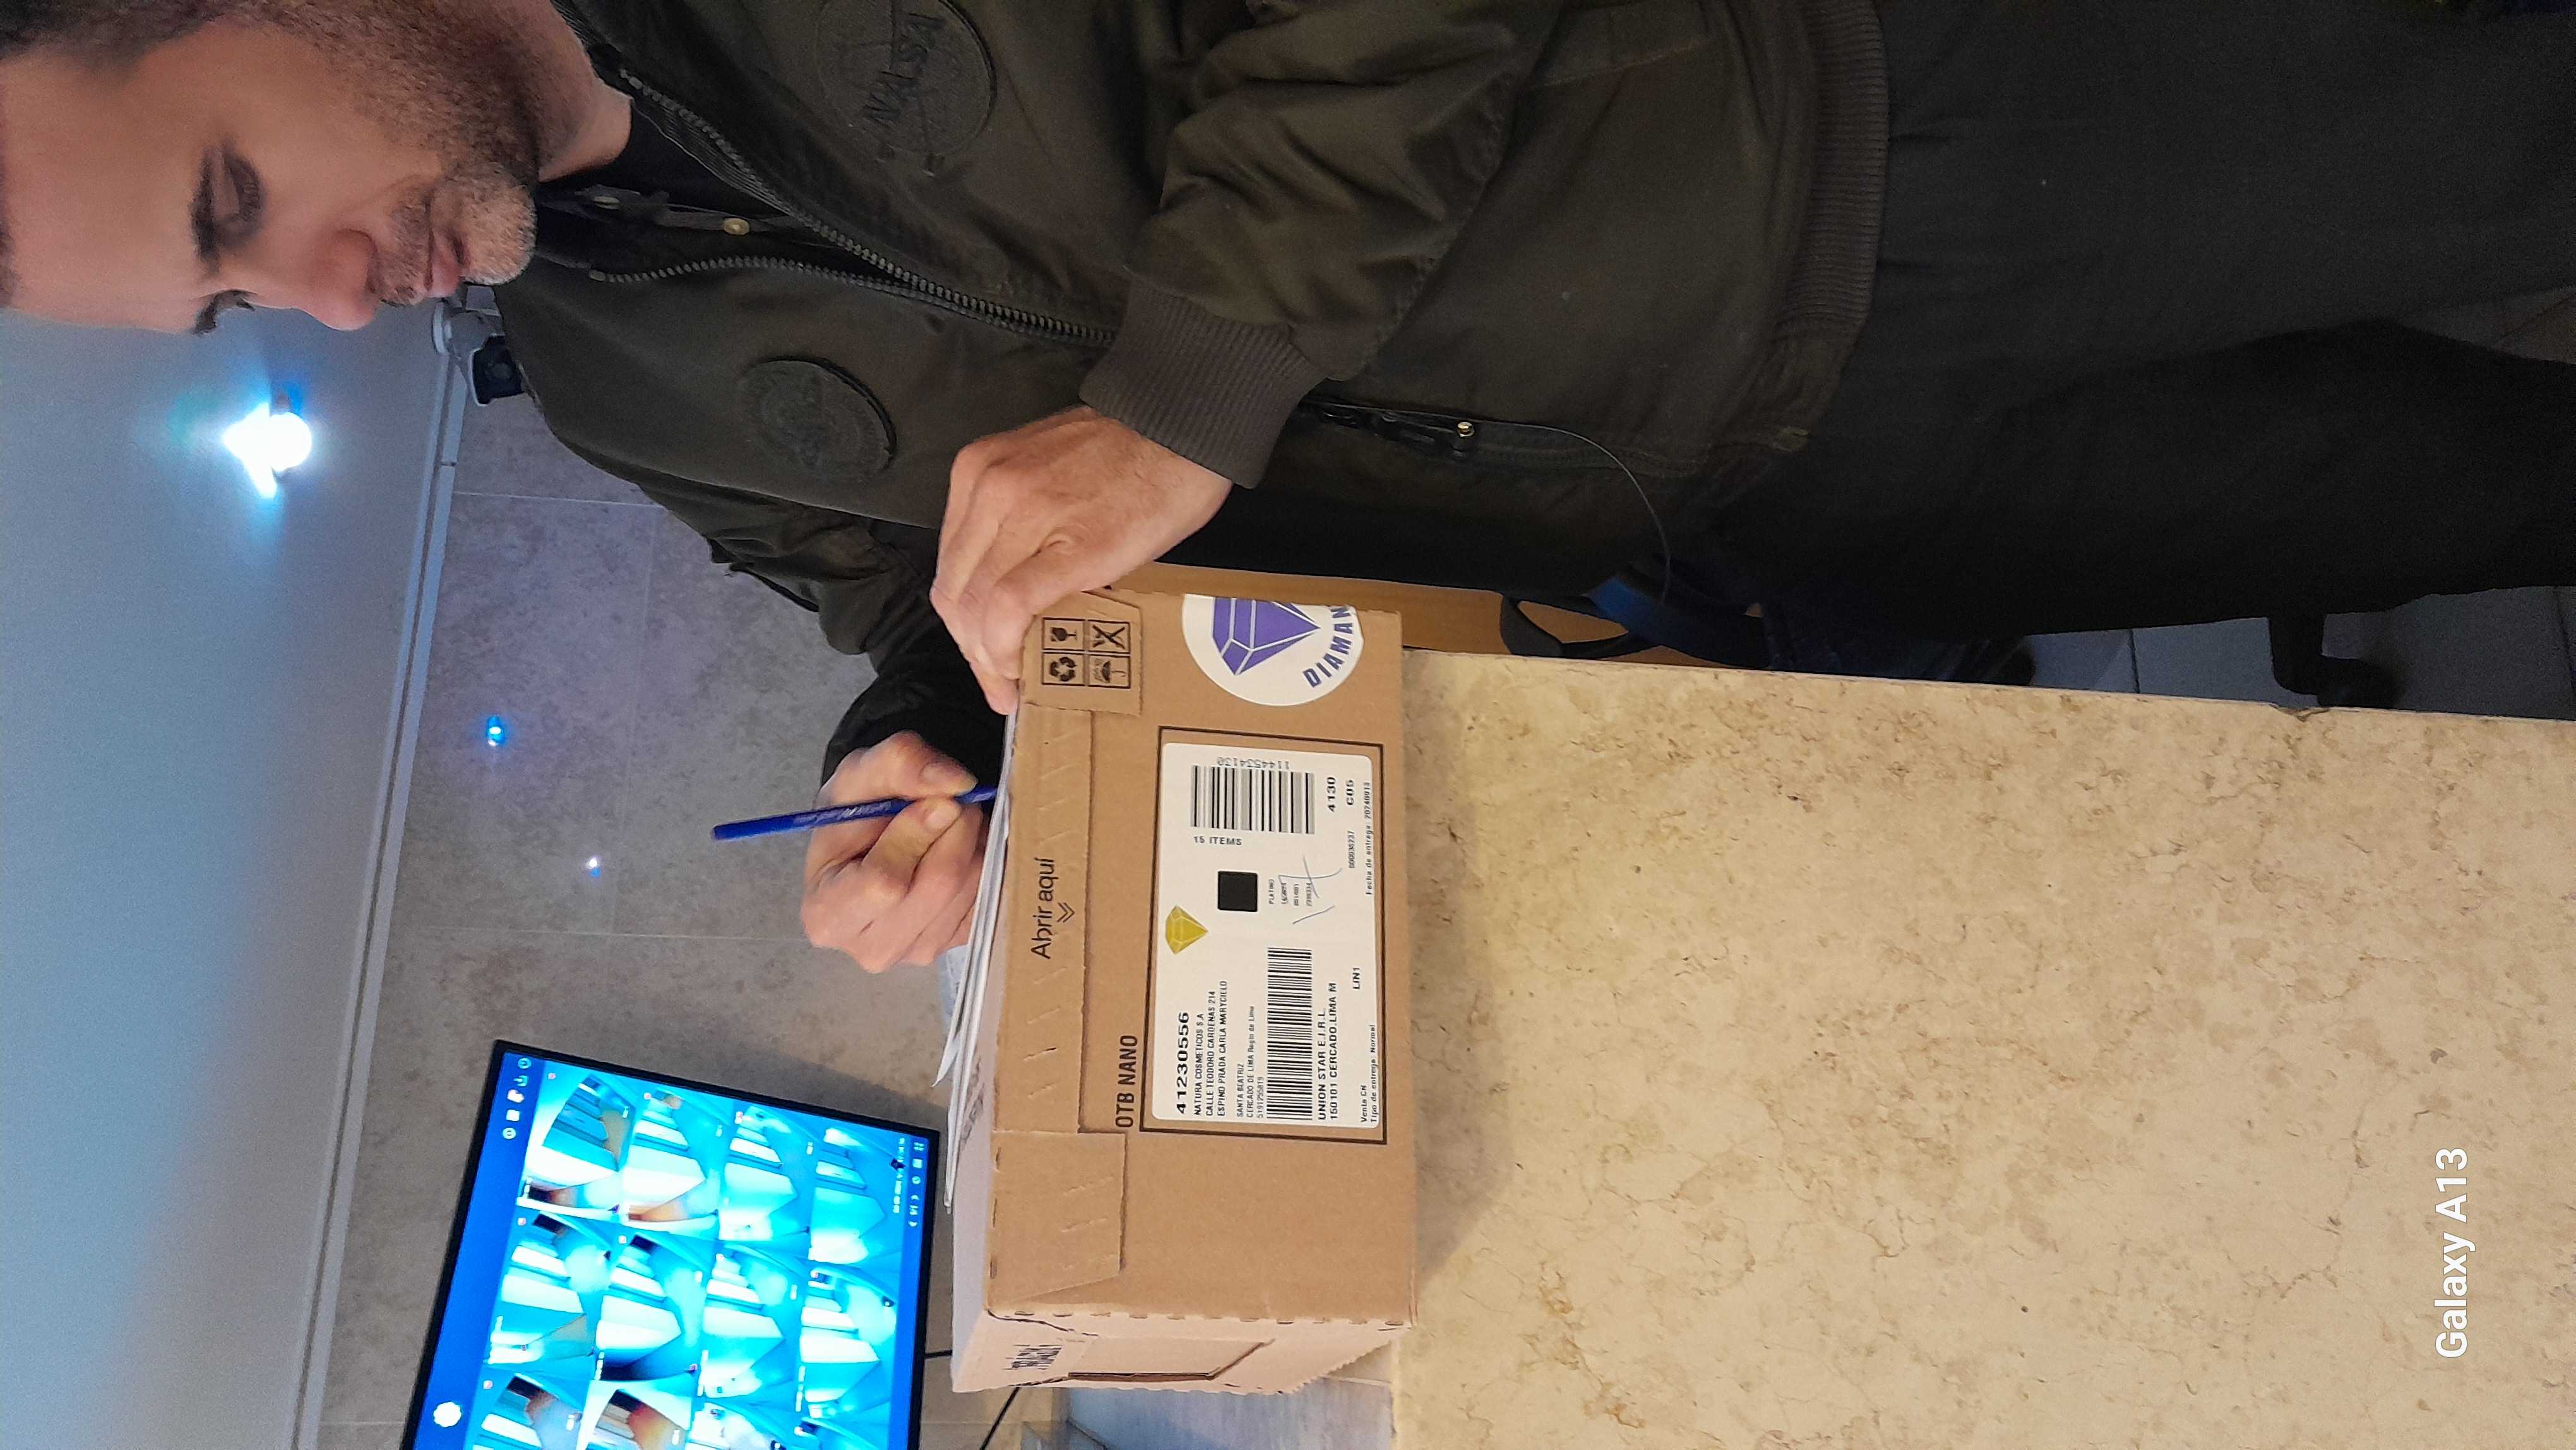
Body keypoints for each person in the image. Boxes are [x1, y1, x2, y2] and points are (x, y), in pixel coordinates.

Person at [5, 0, 2573, 974]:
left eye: (234, 201)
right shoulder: (604, 367)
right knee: (2502, 493)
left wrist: (1190, 387)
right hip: (1809, 492)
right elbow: (898, 581)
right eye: (231, 310)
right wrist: (927, 743)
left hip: (1888, 123)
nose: (325, 300)